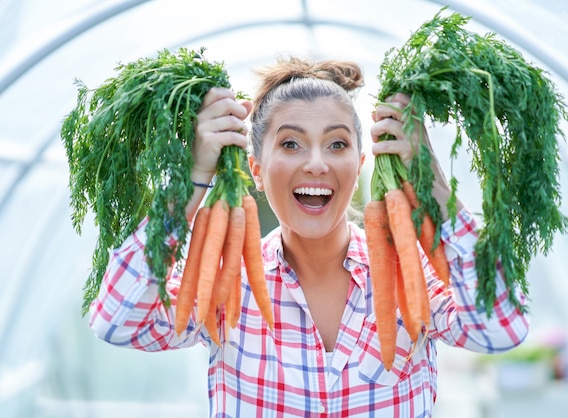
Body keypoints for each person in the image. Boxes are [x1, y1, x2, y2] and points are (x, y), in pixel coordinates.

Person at [89, 57, 529, 417]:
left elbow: (500, 329)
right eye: (291, 144)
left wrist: (436, 189)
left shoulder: (413, 279)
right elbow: (119, 321)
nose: (317, 163)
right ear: (256, 170)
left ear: (359, 165)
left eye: (337, 145)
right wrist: (188, 183)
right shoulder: (226, 288)